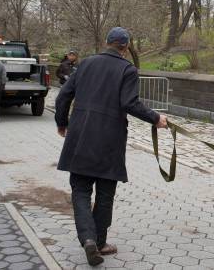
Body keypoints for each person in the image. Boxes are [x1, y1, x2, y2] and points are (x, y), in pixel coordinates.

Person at [55, 27, 168, 267]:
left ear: (107, 43)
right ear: (125, 48)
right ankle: (99, 241)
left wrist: (62, 123)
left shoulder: (85, 64)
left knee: (81, 190)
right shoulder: (127, 69)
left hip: (81, 135)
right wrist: (156, 118)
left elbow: (63, 95)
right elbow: (130, 103)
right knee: (105, 193)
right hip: (110, 138)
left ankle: (87, 238)